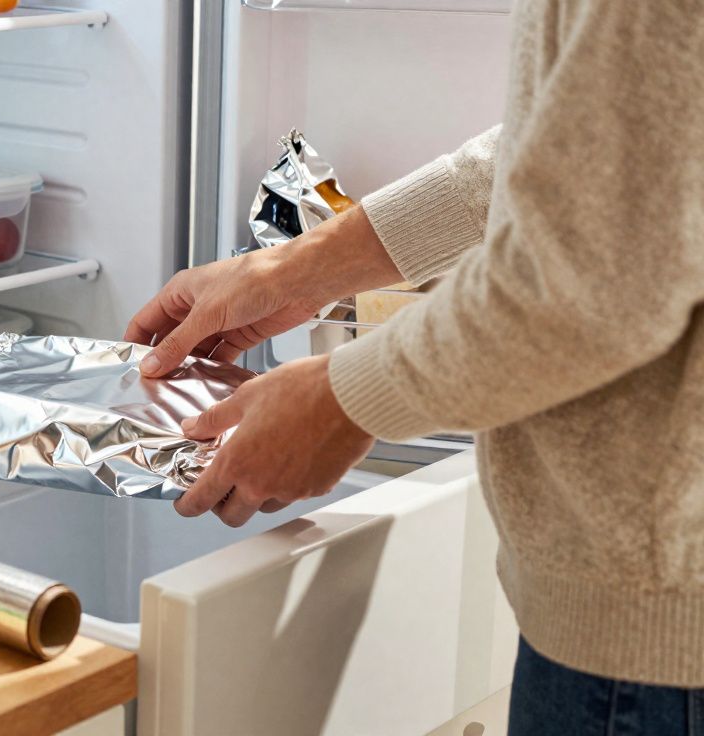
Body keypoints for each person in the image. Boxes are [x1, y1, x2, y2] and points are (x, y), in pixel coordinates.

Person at [125, 1, 704, 733]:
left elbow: (587, 284)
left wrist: (344, 398)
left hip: (655, 650)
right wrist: (301, 266)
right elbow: (587, 145)